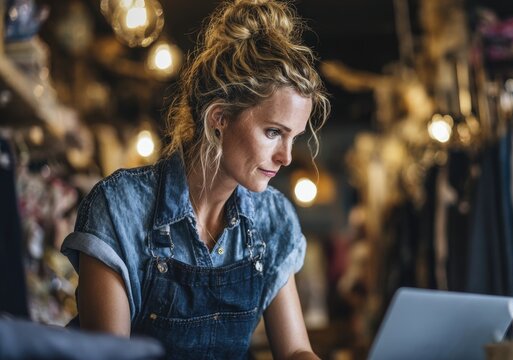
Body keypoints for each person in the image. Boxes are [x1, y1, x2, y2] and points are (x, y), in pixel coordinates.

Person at [61, 0, 330, 358]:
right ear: (219, 117)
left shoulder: (272, 219)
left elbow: (296, 350)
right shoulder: (120, 207)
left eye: (293, 137)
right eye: (272, 132)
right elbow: (110, 356)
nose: (287, 157)